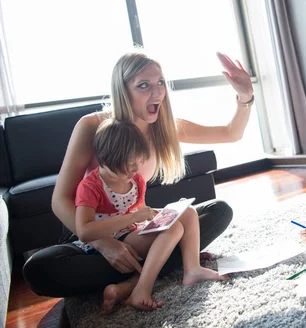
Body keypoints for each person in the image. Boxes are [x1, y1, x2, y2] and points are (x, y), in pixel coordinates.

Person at [23, 51, 253, 311]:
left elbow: (231, 134)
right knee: (39, 269)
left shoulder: (166, 127)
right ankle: (165, 263)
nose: (157, 93)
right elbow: (60, 200)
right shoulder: (93, 126)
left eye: (160, 83)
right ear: (123, 91)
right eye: (144, 85)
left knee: (218, 211)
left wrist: (245, 97)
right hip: (89, 232)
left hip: (134, 230)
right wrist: (105, 245)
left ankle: (137, 278)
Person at [74, 119, 226, 311]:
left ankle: (192, 267)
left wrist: (158, 213)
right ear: (107, 157)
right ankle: (141, 289)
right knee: (174, 230)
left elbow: (139, 210)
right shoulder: (90, 186)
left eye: (138, 162)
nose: (136, 169)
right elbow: (84, 231)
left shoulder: (135, 180)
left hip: (132, 230)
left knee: (187, 212)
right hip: (110, 239)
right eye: (130, 164)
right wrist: (132, 218)